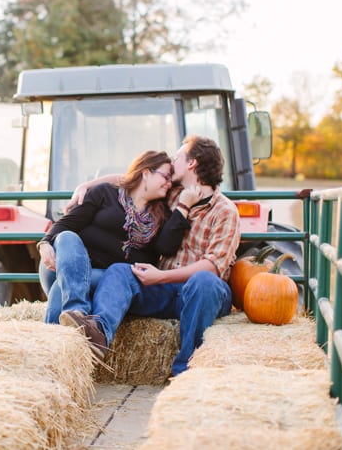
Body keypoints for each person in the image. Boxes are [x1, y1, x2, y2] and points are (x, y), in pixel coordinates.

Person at [64, 135, 241, 376]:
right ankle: (98, 334)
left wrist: (162, 277)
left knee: (204, 281)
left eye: (178, 157)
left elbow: (212, 267)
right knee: (119, 270)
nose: (172, 162)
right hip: (166, 292)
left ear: (192, 163)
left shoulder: (225, 211)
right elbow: (132, 179)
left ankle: (186, 370)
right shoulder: (172, 193)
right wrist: (88, 185)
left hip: (203, 294)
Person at [37, 150, 197, 358]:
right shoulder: (105, 193)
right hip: (66, 264)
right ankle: (77, 312)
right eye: (165, 177)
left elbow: (166, 247)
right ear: (146, 172)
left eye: (171, 180)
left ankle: (52, 352)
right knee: (67, 237)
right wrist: (45, 244)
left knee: (62, 287)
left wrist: (183, 207)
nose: (168, 183)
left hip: (105, 279)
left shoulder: (162, 215)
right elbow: (67, 224)